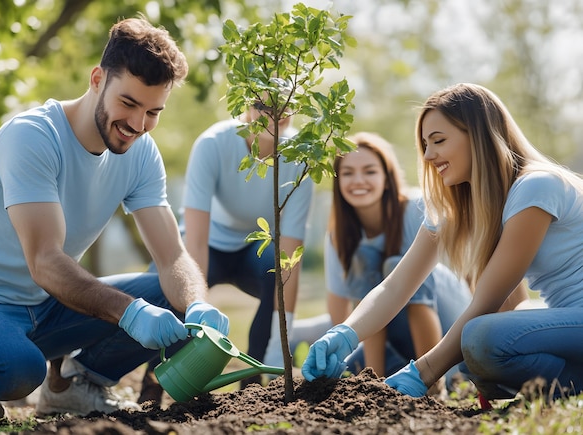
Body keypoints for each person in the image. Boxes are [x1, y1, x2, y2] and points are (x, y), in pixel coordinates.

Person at [0, 16, 229, 425]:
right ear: (98, 79)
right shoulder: (32, 137)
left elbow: (172, 255)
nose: (138, 126)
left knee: (170, 294)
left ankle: (73, 387)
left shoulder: (140, 152)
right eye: (129, 103)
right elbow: (45, 261)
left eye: (153, 111)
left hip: (44, 306)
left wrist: (197, 304)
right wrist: (131, 314)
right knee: (15, 372)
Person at [302, 82, 582, 408]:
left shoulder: (537, 186)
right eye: (425, 144)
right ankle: (570, 382)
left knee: (479, 337)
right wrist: (345, 333)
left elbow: (487, 301)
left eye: (439, 140)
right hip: (567, 320)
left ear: (478, 135)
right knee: (475, 350)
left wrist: (421, 372)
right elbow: (395, 287)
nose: (428, 154)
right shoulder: (458, 208)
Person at [137, 97, 314, 401]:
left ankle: (256, 383)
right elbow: (194, 239)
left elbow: (289, 261)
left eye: (285, 106)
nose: (274, 114)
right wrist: (195, 312)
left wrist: (278, 350)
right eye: (263, 105)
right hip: (206, 243)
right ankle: (155, 381)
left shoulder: (300, 160)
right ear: (246, 107)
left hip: (253, 249)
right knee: (172, 283)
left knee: (275, 273)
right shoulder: (213, 144)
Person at [291, 132, 472, 393]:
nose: (359, 181)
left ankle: (435, 387)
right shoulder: (339, 235)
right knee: (345, 372)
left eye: (369, 171)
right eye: (348, 173)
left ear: (387, 178)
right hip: (397, 347)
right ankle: (373, 385)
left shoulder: (417, 207)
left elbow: (468, 266)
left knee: (395, 264)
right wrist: (335, 347)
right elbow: (339, 310)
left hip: (449, 337)